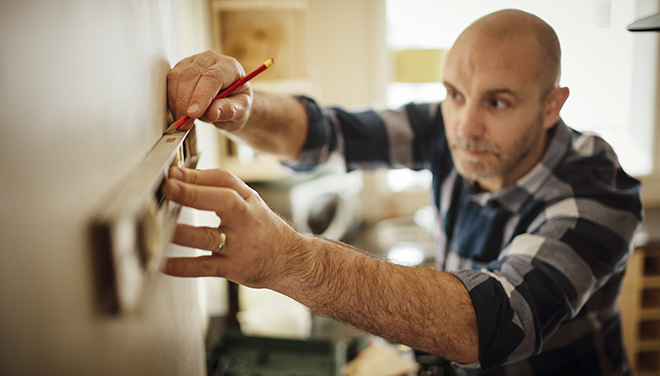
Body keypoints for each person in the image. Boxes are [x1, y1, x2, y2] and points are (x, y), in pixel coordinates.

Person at [162, 9, 643, 375]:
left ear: (550, 106)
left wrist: (289, 259)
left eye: (498, 101)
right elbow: (324, 133)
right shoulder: (450, 123)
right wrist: (243, 107)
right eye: (454, 93)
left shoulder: (597, 193)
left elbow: (494, 323)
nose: (465, 126)